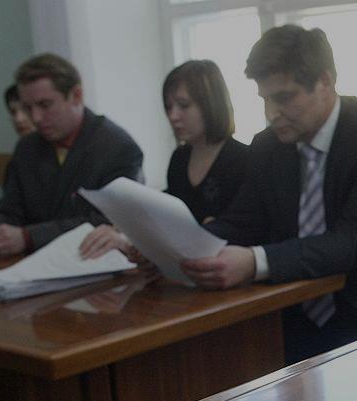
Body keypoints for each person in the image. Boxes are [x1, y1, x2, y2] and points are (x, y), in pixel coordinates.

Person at [157, 25, 357, 362]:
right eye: (264, 99)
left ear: (325, 82)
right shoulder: (269, 146)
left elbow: (351, 241)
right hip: (299, 311)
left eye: (284, 98)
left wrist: (255, 262)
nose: (271, 113)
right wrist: (170, 243)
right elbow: (242, 220)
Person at [0, 53, 144, 259]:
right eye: (28, 108)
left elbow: (111, 222)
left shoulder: (118, 147)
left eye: (45, 105)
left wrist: (28, 237)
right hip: (29, 264)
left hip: (90, 263)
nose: (35, 118)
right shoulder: (27, 147)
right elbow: (10, 209)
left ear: (76, 96)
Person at [79, 60, 248, 259]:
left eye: (184, 105)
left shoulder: (243, 158)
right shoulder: (180, 158)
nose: (173, 116)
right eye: (168, 107)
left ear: (211, 104)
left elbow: (238, 228)